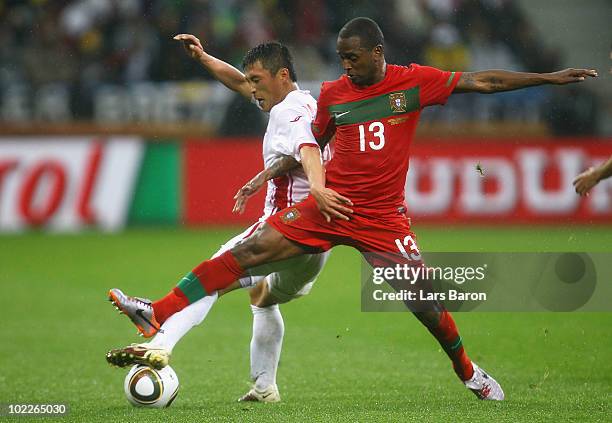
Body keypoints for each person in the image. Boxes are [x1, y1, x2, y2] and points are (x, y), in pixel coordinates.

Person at [108, 17, 597, 401]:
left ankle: (467, 370)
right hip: (332, 206)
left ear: (378, 54)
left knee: (424, 305)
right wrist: (270, 176)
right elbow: (308, 146)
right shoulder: (335, 95)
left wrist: (549, 78)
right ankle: (161, 311)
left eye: (354, 59)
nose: (346, 67)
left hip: (383, 218)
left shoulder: (414, 83)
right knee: (248, 251)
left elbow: (482, 81)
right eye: (341, 59)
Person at [107, 39, 334, 403]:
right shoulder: (304, 103)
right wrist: (205, 58)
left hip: (284, 229)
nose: (252, 88)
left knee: (214, 275)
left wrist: (318, 188)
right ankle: (264, 388)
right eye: (250, 80)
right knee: (261, 297)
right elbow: (246, 88)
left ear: (283, 75)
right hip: (315, 248)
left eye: (257, 80)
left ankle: (160, 337)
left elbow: (307, 150)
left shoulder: (286, 113)